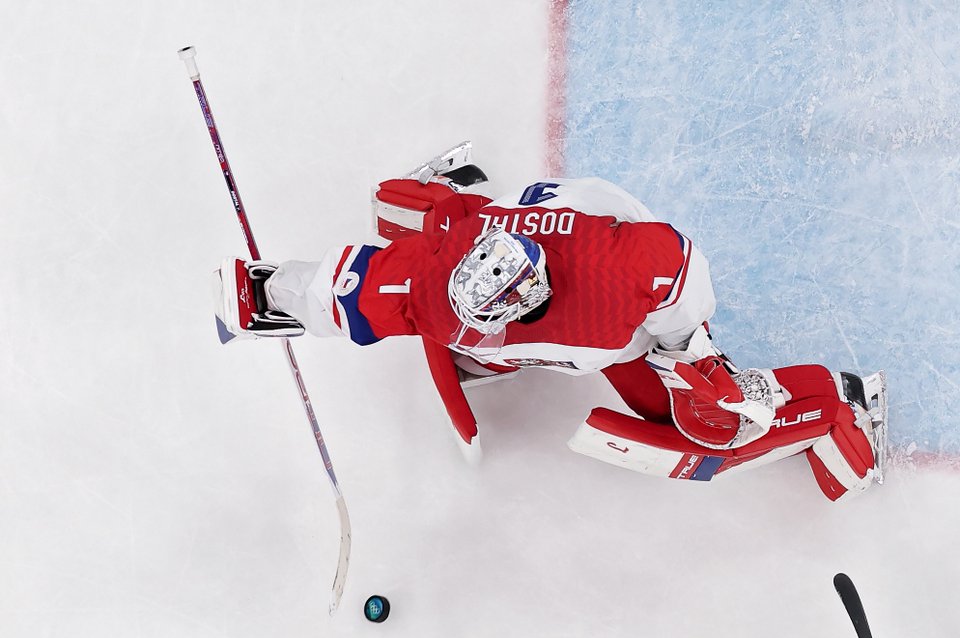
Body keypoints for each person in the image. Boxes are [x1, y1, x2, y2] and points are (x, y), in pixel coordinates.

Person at [215, 144, 885, 500]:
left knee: (708, 424)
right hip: (491, 231)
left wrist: (693, 354)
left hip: (634, 325)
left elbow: (678, 268)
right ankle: (439, 205)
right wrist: (265, 294)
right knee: (446, 233)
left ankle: (841, 403)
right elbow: (344, 288)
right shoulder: (437, 278)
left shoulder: (620, 277)